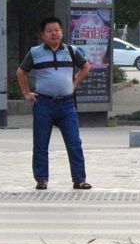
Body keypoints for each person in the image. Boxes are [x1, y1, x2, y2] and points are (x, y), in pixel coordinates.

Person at [16, 16, 92, 191]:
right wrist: (26, 93)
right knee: (41, 144)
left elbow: (86, 67)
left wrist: (75, 83)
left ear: (62, 32)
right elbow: (21, 72)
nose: (54, 34)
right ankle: (41, 179)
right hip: (44, 104)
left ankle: (79, 179)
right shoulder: (35, 52)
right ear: (43, 35)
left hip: (67, 105)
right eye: (49, 31)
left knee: (74, 143)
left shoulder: (71, 51)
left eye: (57, 30)